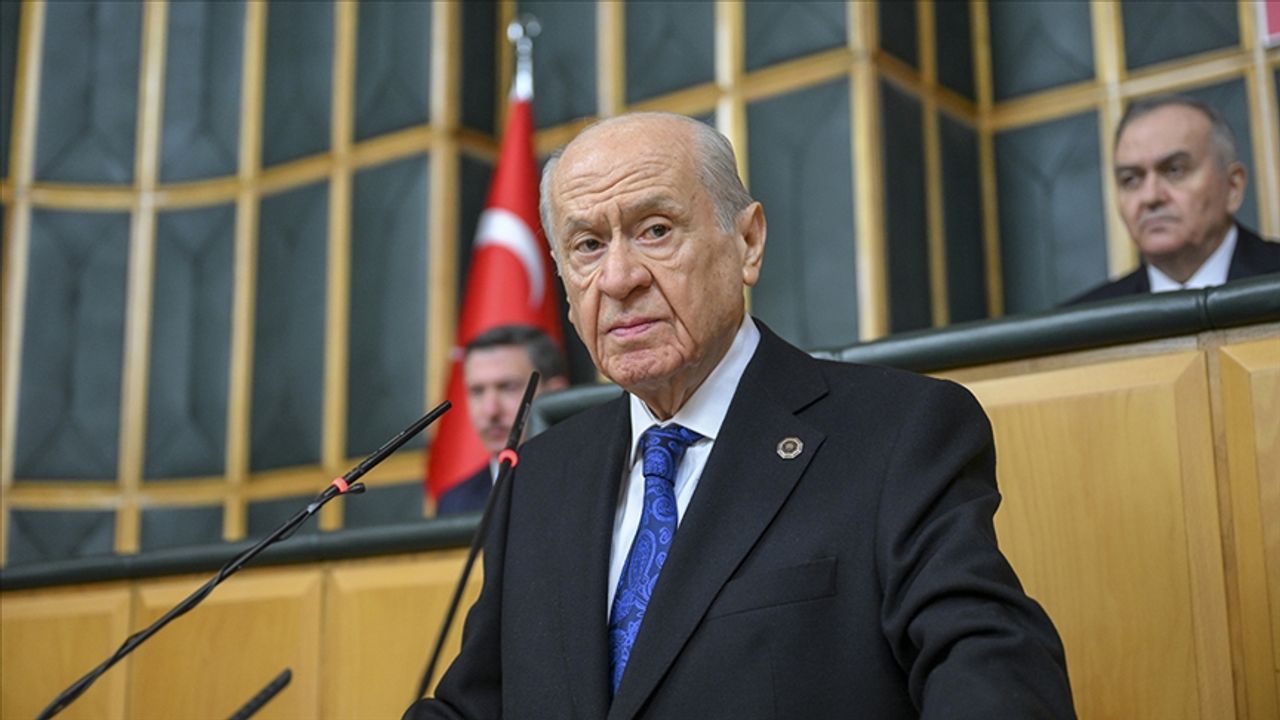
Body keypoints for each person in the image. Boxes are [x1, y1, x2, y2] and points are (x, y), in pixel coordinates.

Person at [406, 113, 1074, 718]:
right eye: (587, 246)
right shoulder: (538, 476)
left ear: (747, 241)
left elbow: (995, 673)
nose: (618, 278)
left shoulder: (898, 433)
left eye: (655, 230)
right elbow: (476, 707)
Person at [1067, 94, 1280, 305]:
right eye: (1130, 179)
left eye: (1175, 170)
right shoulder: (1082, 319)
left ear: (1233, 187)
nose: (1151, 197)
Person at [435, 325, 568, 515]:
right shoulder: (454, 504)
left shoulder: (590, 478)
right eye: (477, 391)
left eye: (508, 387)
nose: (491, 411)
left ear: (555, 393)